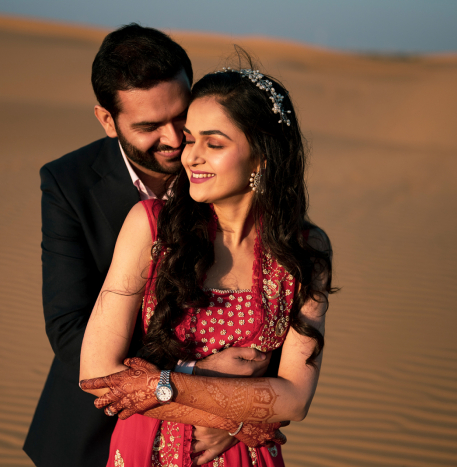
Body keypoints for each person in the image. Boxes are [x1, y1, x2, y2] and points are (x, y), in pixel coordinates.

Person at [24, 26, 281, 467]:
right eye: (148, 126)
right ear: (108, 120)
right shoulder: (69, 183)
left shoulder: (230, 167)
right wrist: (195, 381)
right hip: (95, 432)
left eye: (181, 116)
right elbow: (69, 329)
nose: (176, 138)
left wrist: (236, 408)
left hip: (215, 440)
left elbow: (272, 299)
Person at [80, 61, 335, 466]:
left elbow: (296, 398)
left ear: (262, 157)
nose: (191, 157)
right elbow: (97, 374)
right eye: (189, 139)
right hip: (148, 447)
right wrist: (229, 415)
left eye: (213, 144)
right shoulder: (150, 227)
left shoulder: (303, 250)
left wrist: (164, 384)